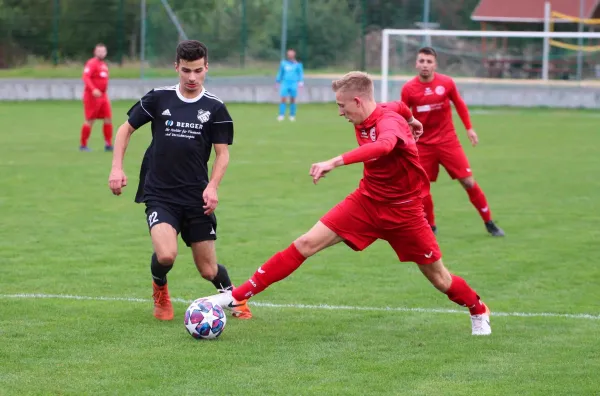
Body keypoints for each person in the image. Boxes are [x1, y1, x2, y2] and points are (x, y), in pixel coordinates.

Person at [202, 71, 491, 336]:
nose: (340, 112)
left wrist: (336, 161)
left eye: (342, 106)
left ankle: (478, 309)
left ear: (357, 100)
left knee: (440, 279)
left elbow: (385, 145)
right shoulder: (391, 110)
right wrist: (414, 120)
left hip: (405, 212)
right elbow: (401, 108)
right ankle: (237, 296)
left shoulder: (387, 123)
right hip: (366, 202)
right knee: (305, 244)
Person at [107, 40, 252, 321]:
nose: (192, 77)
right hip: (160, 193)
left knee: (208, 270)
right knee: (166, 255)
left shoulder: (215, 108)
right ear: (176, 67)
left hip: (196, 196)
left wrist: (212, 187)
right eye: (186, 70)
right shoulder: (158, 98)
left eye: (198, 70)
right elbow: (125, 130)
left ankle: (233, 297)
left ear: (206, 68)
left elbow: (222, 155)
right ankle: (160, 291)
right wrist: (116, 168)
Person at [401, 47, 505, 237]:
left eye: (428, 61)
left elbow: (459, 104)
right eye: (421, 61)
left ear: (435, 64)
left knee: (468, 181)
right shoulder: (408, 89)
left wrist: (469, 128)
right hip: (422, 146)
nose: (425, 65)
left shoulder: (446, 83)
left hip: (448, 142)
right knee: (421, 187)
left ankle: (489, 222)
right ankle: (431, 226)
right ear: (416, 64)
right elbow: (403, 116)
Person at [80, 43, 113, 152]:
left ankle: (108, 144)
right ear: (95, 52)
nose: (101, 53)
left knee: (108, 118)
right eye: (99, 51)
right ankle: (83, 145)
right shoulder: (91, 63)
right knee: (90, 120)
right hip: (92, 97)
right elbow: (86, 77)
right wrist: (93, 89)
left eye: (103, 51)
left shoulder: (103, 64)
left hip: (103, 96)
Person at [276, 49, 304, 122]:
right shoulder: (283, 63)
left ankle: (292, 115)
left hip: (293, 83)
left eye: (291, 54)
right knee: (283, 98)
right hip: (285, 83)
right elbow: (280, 72)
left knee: (293, 99)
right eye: (289, 54)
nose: (290, 56)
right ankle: (281, 115)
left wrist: (301, 81)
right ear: (287, 55)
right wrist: (278, 81)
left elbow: (300, 73)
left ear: (294, 55)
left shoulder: (297, 64)